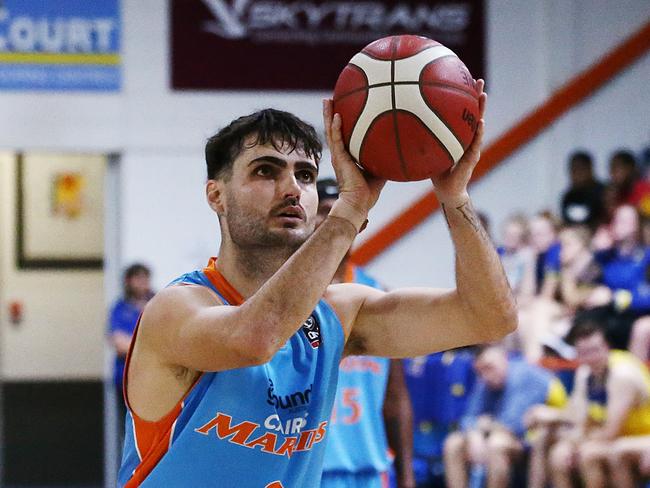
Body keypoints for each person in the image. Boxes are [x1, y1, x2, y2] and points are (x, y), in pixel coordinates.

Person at [119, 85, 517, 487]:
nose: (292, 188)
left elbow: (490, 319)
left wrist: (455, 198)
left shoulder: (339, 312)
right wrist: (348, 212)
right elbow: (256, 337)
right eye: (265, 171)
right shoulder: (175, 309)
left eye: (305, 175)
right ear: (216, 195)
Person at [316, 178, 415, 488]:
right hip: (309, 473)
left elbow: (395, 399)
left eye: (341, 211)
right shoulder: (287, 296)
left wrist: (407, 477)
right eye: (324, 211)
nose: (334, 219)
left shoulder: (377, 295)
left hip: (370, 472)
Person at [543, 319, 650, 488]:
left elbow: (610, 432)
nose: (591, 358)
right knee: (559, 454)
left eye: (595, 350)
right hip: (620, 437)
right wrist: (571, 443)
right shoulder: (584, 374)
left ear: (607, 347)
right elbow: (579, 420)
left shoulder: (623, 375)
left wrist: (579, 444)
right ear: (577, 355)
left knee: (589, 454)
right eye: (584, 353)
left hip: (642, 436)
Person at [443, 345, 566, 488]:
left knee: (496, 443)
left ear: (504, 360)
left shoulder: (522, 374)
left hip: (547, 435)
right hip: (509, 436)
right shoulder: (485, 379)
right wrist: (474, 433)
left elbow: (513, 426)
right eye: (480, 371)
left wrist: (483, 426)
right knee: (453, 443)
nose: (485, 375)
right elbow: (468, 418)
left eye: (489, 367)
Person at [108, 263, 153, 424]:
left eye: (145, 278)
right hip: (127, 380)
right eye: (138, 278)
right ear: (128, 281)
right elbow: (120, 344)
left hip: (155, 378)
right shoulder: (120, 308)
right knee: (129, 427)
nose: (143, 282)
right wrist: (151, 347)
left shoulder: (158, 303)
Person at [560, 151, 605, 230]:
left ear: (590, 169)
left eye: (580, 169)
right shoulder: (568, 196)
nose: (576, 174)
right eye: (573, 170)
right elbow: (567, 224)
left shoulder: (603, 193)